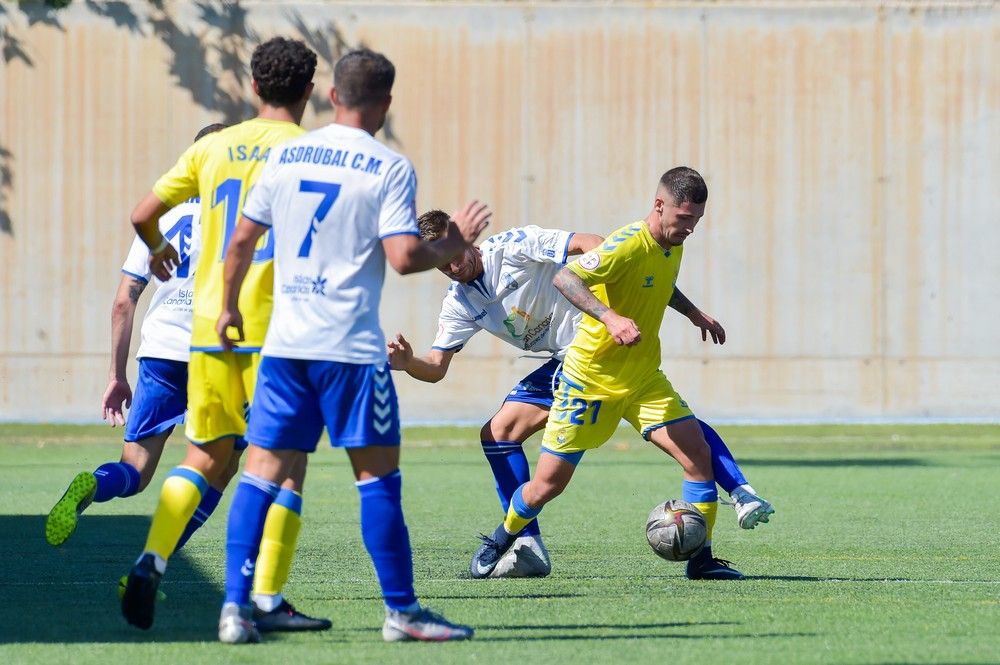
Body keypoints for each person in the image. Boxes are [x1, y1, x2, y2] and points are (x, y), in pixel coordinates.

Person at [214, 48, 490, 644]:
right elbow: (403, 256)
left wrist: (229, 306)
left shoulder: (286, 153)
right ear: (387, 104)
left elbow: (240, 241)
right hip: (350, 353)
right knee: (377, 481)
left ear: (331, 96)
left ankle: (235, 611)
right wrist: (454, 242)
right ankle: (403, 613)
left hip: (287, 349)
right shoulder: (389, 166)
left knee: (259, 474)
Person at [389, 213, 773, 578]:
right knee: (501, 436)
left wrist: (610, 304)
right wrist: (408, 363)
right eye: (443, 265)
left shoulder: (513, 246)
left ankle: (722, 518)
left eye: (455, 256)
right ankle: (526, 543)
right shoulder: (459, 302)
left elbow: (593, 245)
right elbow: (436, 367)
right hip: (566, 361)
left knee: (682, 439)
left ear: (466, 238)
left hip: (595, 346)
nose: (454, 268)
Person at [122, 37, 328, 632]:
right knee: (284, 466)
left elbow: (142, 213)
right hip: (277, 333)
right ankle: (260, 599)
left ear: (254, 86)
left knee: (204, 456)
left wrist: (160, 249)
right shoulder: (309, 151)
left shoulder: (214, 147)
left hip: (210, 330)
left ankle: (153, 555)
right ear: (309, 92)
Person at [470, 167, 750, 581]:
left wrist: (695, 314)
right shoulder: (626, 243)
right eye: (684, 218)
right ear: (660, 206)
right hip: (589, 382)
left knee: (696, 455)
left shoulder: (672, 243)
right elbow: (567, 277)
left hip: (641, 378)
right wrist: (610, 317)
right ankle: (500, 539)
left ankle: (701, 559)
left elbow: (657, 282)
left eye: (696, 220)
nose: (690, 228)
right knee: (547, 486)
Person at [45, 123, 225, 552]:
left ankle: (95, 483)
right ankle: (155, 561)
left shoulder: (162, 217)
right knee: (224, 464)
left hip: (160, 352)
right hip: (216, 355)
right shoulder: (238, 218)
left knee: (136, 472)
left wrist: (116, 374)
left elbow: (124, 300)